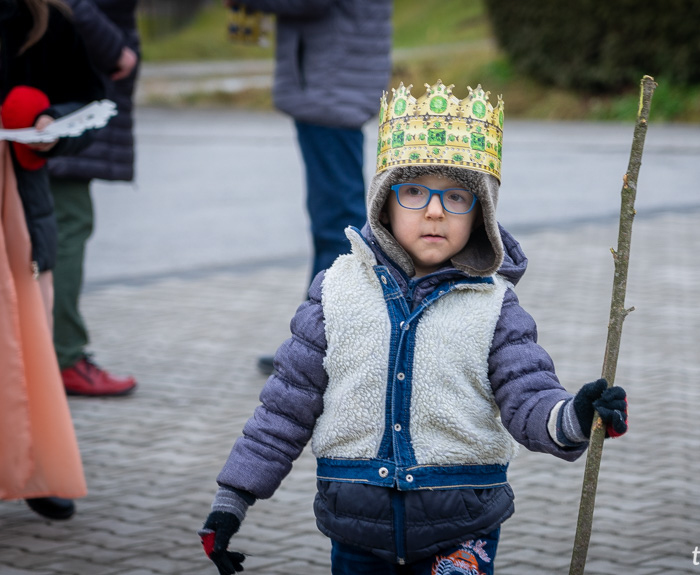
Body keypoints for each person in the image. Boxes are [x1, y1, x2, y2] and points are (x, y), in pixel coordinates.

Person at [197, 81, 630, 574]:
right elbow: (283, 410)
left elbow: (528, 396)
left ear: (480, 213)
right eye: (415, 191)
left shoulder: (494, 306)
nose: (434, 210)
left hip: (461, 528)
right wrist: (232, 500)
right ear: (384, 201)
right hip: (357, 531)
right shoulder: (334, 291)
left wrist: (575, 416)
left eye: (456, 196)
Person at [221, 0, 393, 375]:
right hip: (332, 78)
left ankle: (325, 342)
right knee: (335, 216)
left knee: (337, 221)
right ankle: (323, 337)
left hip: (332, 81)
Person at [0, 0, 105, 520]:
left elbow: (89, 100)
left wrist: (47, 123)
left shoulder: (43, 18)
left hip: (15, 201)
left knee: (23, 338)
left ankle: (33, 464)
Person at [46, 0, 140, 397]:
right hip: (62, 88)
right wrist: (112, 46)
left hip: (55, 84)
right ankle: (63, 356)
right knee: (67, 221)